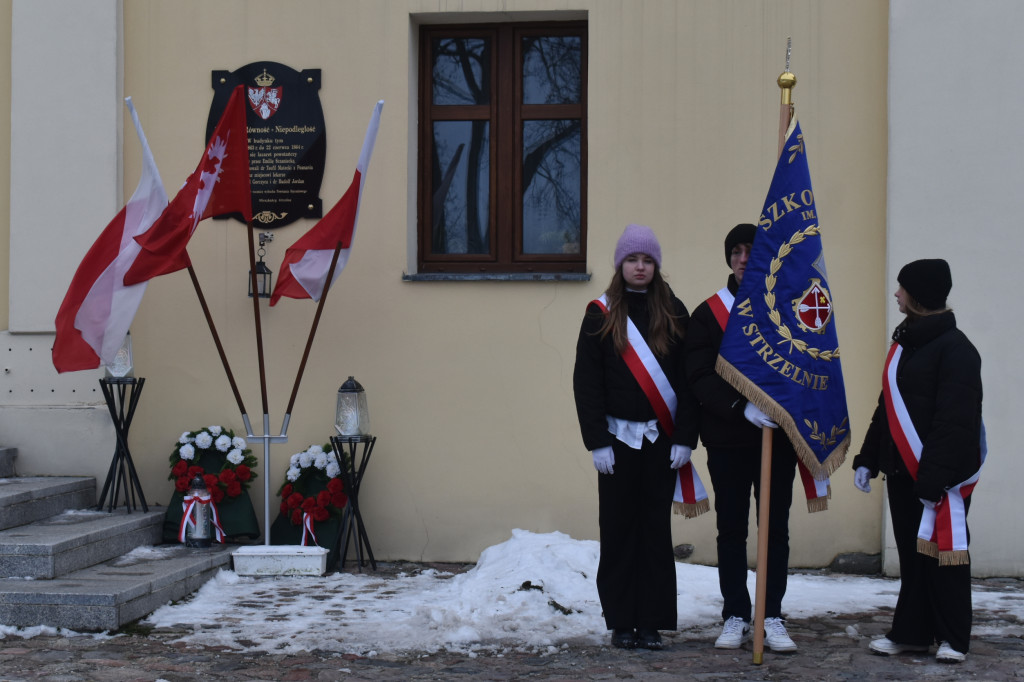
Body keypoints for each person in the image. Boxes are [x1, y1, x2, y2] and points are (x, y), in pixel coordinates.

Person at [573, 223, 699, 650]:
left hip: (661, 443)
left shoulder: (675, 310)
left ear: (656, 265)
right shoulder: (600, 312)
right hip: (616, 442)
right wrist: (597, 441)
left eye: (647, 260)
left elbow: (687, 380)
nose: (640, 267)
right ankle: (621, 621)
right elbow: (587, 383)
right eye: (632, 259)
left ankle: (652, 621)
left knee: (654, 531)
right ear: (620, 265)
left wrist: (685, 437)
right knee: (618, 530)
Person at [852, 258, 983, 664]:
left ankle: (953, 638)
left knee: (946, 556)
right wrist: (868, 458)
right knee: (913, 557)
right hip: (902, 472)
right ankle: (911, 633)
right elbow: (885, 409)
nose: (896, 294)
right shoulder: (905, 344)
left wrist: (934, 477)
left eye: (902, 288)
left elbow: (955, 422)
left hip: (938, 479)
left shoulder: (957, 350)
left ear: (919, 295)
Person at [683, 223, 799, 653]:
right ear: (728, 258)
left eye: (751, 250)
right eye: (736, 251)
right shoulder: (708, 313)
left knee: (775, 530)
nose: (744, 258)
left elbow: (800, 366)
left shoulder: (784, 307)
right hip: (729, 438)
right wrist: (739, 407)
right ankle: (735, 612)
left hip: (777, 439)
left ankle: (771, 615)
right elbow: (697, 374)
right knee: (731, 529)